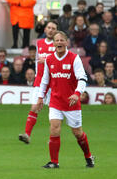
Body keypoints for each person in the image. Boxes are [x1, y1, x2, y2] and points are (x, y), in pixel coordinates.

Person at [37, 31, 94, 169]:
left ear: (67, 42)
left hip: (71, 103)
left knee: (77, 133)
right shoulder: (49, 60)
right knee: (54, 128)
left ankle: (88, 156)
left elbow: (82, 78)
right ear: (54, 43)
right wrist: (40, 97)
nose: (59, 43)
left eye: (62, 40)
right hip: (55, 101)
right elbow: (45, 80)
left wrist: (76, 93)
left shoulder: (74, 58)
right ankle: (54, 162)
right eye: (57, 40)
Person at [19, 21, 58, 144]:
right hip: (41, 80)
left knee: (54, 111)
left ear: (56, 31)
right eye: (49, 27)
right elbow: (37, 62)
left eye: (53, 28)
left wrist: (46, 59)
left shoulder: (59, 44)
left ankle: (53, 138)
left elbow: (60, 60)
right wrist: (37, 76)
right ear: (45, 29)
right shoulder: (39, 43)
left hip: (55, 81)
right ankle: (27, 135)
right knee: (34, 107)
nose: (51, 30)